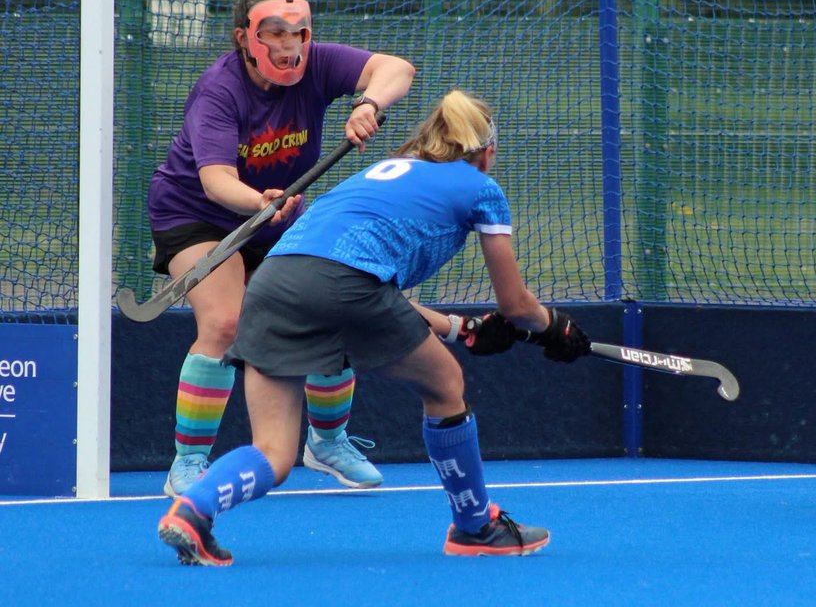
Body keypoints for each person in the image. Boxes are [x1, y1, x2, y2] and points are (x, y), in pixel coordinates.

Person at [156, 88, 591, 566]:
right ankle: (475, 527)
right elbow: (516, 305)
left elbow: (361, 279)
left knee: (273, 453)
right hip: (344, 286)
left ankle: (193, 511)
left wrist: (459, 328)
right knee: (445, 384)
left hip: (273, 285)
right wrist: (555, 328)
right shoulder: (480, 187)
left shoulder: (381, 175)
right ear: (487, 152)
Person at [147, 0, 415, 497]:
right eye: (275, 33)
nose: (290, 44)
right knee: (225, 323)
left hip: (279, 215)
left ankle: (327, 442)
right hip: (196, 213)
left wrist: (368, 103)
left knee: (330, 310)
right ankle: (189, 461)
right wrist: (259, 202)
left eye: (299, 32)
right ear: (244, 39)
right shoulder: (219, 90)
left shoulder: (317, 65)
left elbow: (397, 68)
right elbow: (216, 181)